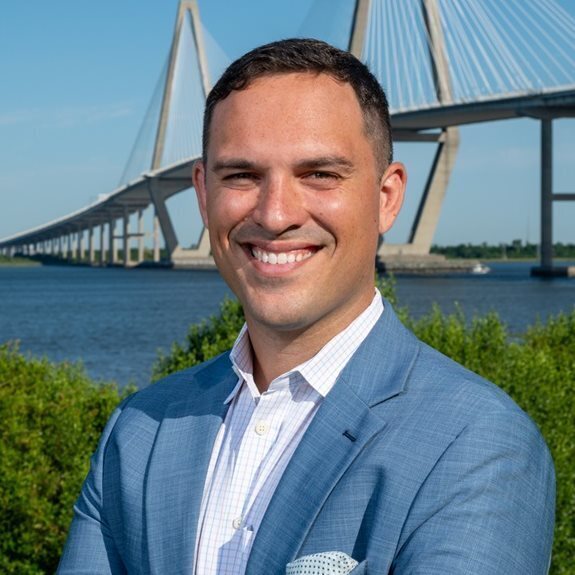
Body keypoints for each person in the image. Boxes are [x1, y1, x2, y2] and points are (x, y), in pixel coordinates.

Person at [58, 38, 555, 574]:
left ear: (386, 197)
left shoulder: (479, 445)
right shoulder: (138, 431)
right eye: (242, 175)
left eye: (320, 174)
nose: (275, 215)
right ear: (203, 195)